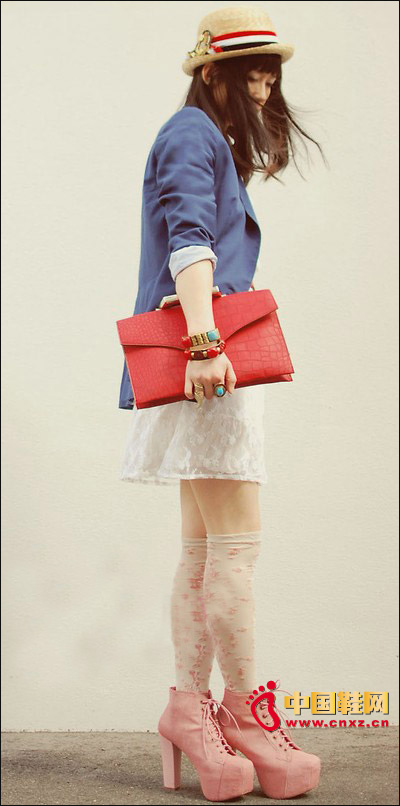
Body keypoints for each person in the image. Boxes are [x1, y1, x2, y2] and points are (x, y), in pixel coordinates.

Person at [118, 5, 326, 802]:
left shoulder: (204, 139)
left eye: (271, 77)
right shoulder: (191, 136)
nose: (265, 90)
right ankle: (241, 717)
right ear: (211, 73)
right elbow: (190, 239)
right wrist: (205, 342)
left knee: (206, 553)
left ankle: (189, 711)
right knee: (235, 552)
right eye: (252, 76)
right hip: (211, 365)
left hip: (213, 364)